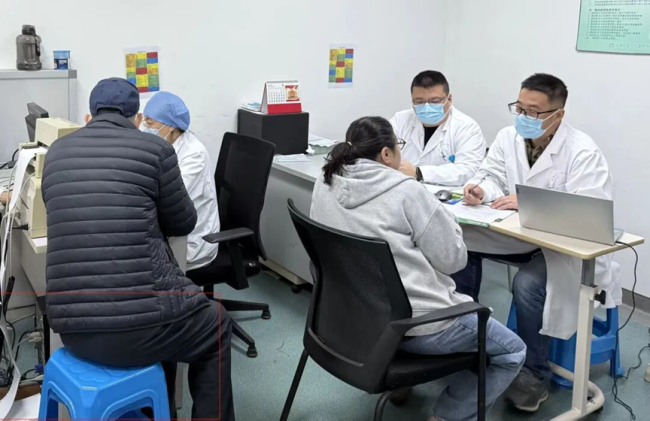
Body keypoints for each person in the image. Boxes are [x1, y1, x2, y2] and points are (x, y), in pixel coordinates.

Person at [42, 78, 234, 421]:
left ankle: (159, 408)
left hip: (71, 330)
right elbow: (183, 221)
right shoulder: (156, 150)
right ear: (137, 118)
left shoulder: (56, 152)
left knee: (166, 311)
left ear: (90, 115)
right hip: (136, 333)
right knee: (216, 324)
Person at [310, 116, 525, 421]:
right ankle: (447, 416)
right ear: (387, 154)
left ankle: (404, 381)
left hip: (352, 318)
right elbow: (453, 261)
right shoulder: (407, 191)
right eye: (398, 146)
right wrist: (446, 220)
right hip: (415, 328)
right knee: (512, 351)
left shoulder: (326, 179)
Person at [454, 73, 616, 412]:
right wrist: (481, 188)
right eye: (519, 108)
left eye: (533, 112)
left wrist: (526, 202)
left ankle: (533, 373)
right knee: (458, 247)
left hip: (560, 248)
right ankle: (465, 343)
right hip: (517, 235)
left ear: (559, 114)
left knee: (528, 285)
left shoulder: (583, 151)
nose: (523, 117)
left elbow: (589, 212)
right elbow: (492, 173)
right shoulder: (507, 137)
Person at [141, 91, 220, 271]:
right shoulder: (163, 145)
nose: (146, 127)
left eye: (150, 123)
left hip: (192, 242)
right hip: (172, 231)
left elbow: (170, 198)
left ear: (170, 126)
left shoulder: (194, 155)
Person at [390, 70, 486, 186]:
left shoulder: (467, 128)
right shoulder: (400, 120)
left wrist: (419, 173)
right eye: (419, 102)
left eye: (434, 101)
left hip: (446, 193)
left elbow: (469, 171)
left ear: (449, 99)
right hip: (403, 189)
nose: (426, 107)